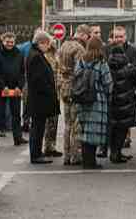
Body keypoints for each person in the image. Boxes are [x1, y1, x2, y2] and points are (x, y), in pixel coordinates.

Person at [74, 37, 113, 169]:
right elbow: (108, 83)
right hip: (97, 100)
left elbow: (75, 77)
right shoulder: (101, 62)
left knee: (85, 131)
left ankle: (86, 161)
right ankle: (91, 162)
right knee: (94, 132)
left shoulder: (81, 61)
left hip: (82, 99)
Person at [56, 25, 90, 166]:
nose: (88, 39)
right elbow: (80, 71)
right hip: (74, 87)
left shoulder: (63, 45)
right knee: (77, 124)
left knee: (67, 123)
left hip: (64, 86)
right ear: (82, 34)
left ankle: (66, 155)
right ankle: (75, 155)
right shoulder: (79, 48)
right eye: (87, 36)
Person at [25, 31, 57, 164]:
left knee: (38, 127)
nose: (48, 47)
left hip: (38, 98)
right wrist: (48, 90)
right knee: (37, 128)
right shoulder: (36, 56)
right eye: (47, 44)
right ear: (41, 43)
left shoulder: (35, 54)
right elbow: (38, 79)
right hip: (39, 99)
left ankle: (37, 152)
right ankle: (36, 154)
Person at [0, 32, 26, 146]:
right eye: (7, 42)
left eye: (12, 42)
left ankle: (18, 138)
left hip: (15, 89)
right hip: (1, 89)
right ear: (3, 41)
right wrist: (2, 86)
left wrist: (19, 87)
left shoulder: (19, 54)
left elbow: (22, 72)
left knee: (16, 115)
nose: (10, 44)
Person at [106, 44, 136, 164]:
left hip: (111, 103)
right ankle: (117, 153)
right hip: (126, 103)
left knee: (113, 127)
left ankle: (113, 152)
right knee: (123, 129)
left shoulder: (107, 67)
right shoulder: (129, 68)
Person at [42, 38, 62, 157]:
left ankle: (50, 145)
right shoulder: (47, 58)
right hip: (51, 93)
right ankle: (48, 146)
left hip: (55, 93)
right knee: (49, 122)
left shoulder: (55, 57)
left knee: (52, 122)